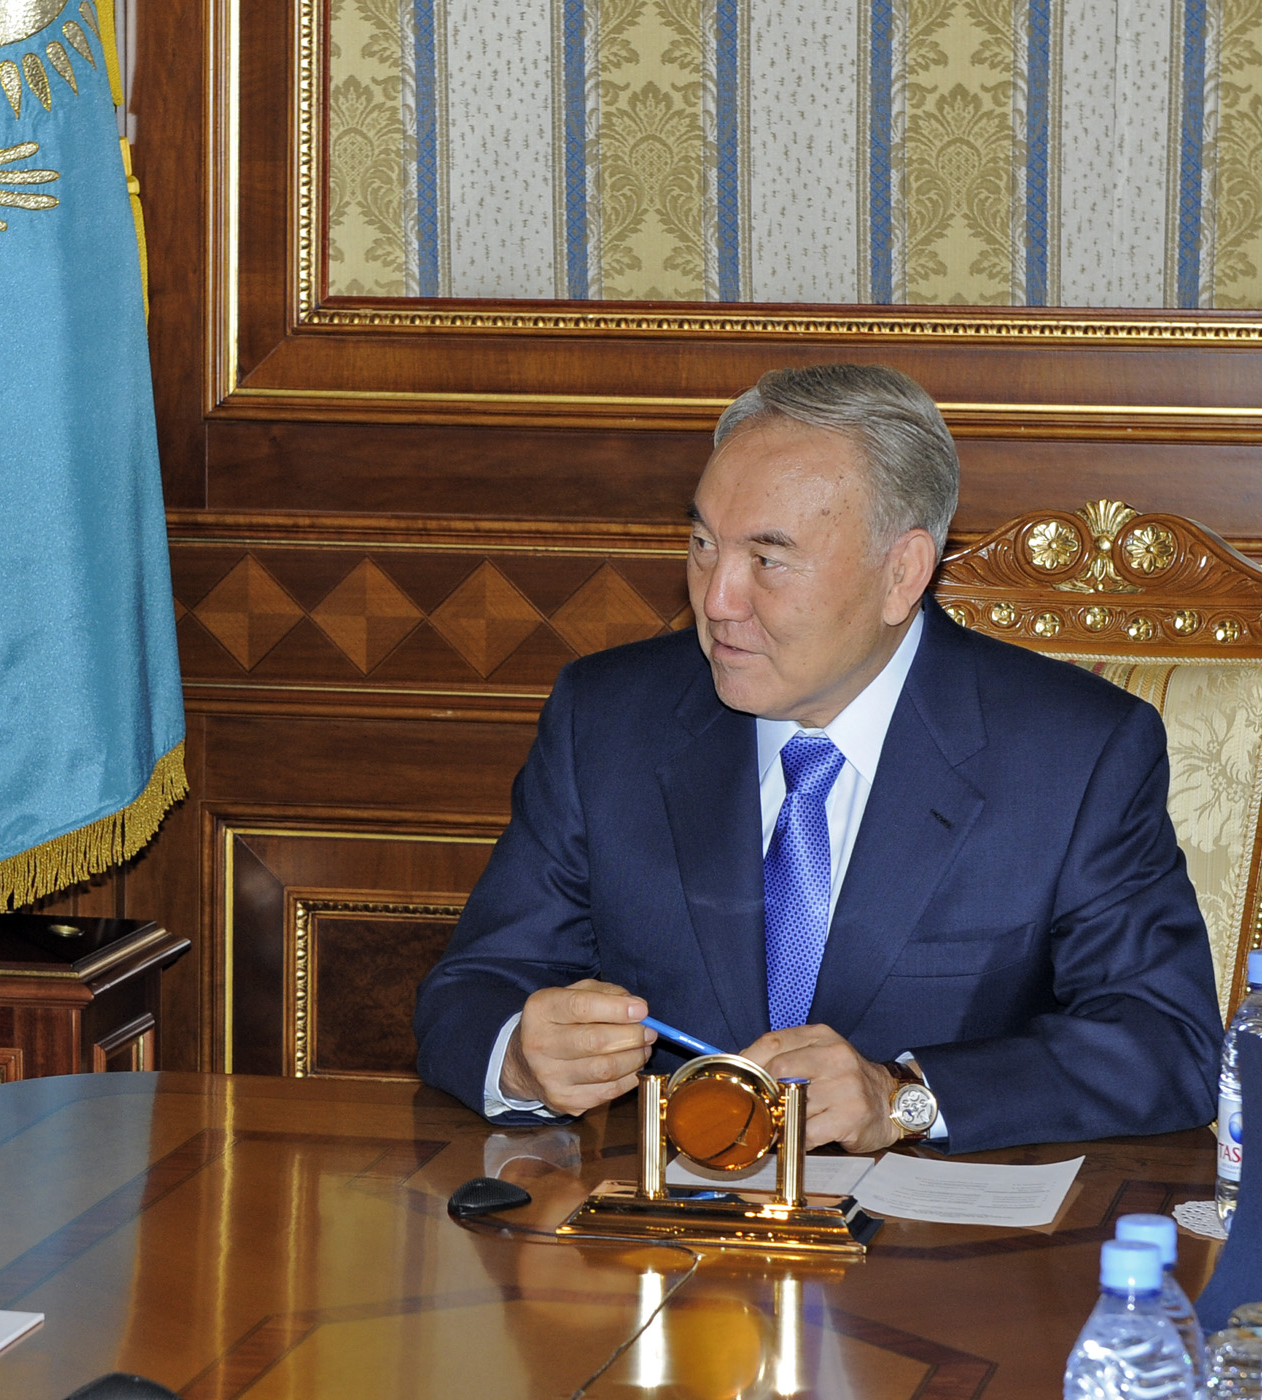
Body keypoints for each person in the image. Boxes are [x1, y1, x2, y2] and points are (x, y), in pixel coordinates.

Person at [414, 364, 1220, 1155]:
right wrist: (520, 1055)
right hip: (656, 1242)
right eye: (702, 544)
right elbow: (471, 992)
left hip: (938, 1263)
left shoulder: (1072, 753)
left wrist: (904, 1095)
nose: (717, 598)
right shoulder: (611, 720)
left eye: (768, 559)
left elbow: (1163, 1041)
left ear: (900, 573)